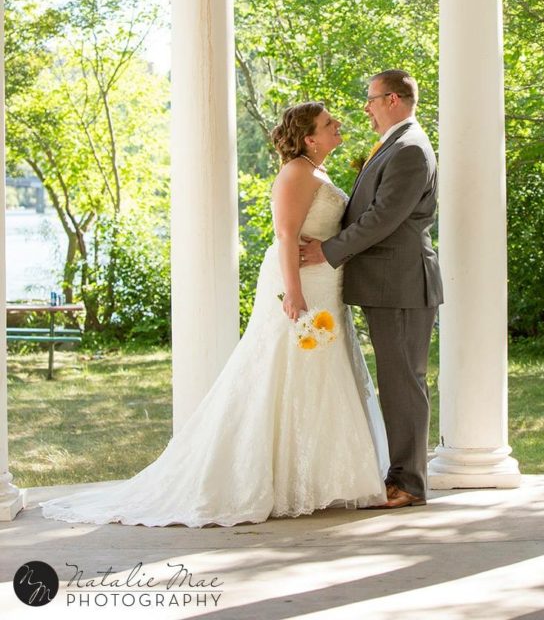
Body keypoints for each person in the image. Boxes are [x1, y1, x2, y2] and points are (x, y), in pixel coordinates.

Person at [40, 102, 389, 527]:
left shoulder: (318, 172)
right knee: (280, 371)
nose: (338, 125)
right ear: (310, 138)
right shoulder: (296, 172)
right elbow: (285, 234)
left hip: (325, 282)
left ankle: (318, 478)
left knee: (320, 373)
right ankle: (260, 477)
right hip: (301, 283)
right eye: (328, 123)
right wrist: (293, 293)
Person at [300, 70, 443, 508]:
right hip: (387, 282)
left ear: (394, 100)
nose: (366, 107)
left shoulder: (411, 150)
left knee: (403, 382)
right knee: (397, 380)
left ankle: (409, 483)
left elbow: (383, 218)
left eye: (373, 99)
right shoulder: (396, 144)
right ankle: (398, 475)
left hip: (400, 282)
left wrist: (328, 251)